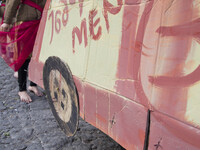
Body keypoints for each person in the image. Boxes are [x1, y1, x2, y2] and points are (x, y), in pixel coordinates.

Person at [0, 0, 46, 103]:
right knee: (23, 56)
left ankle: (33, 85)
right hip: (24, 20)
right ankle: (22, 90)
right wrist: (6, 21)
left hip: (40, 20)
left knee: (37, 55)